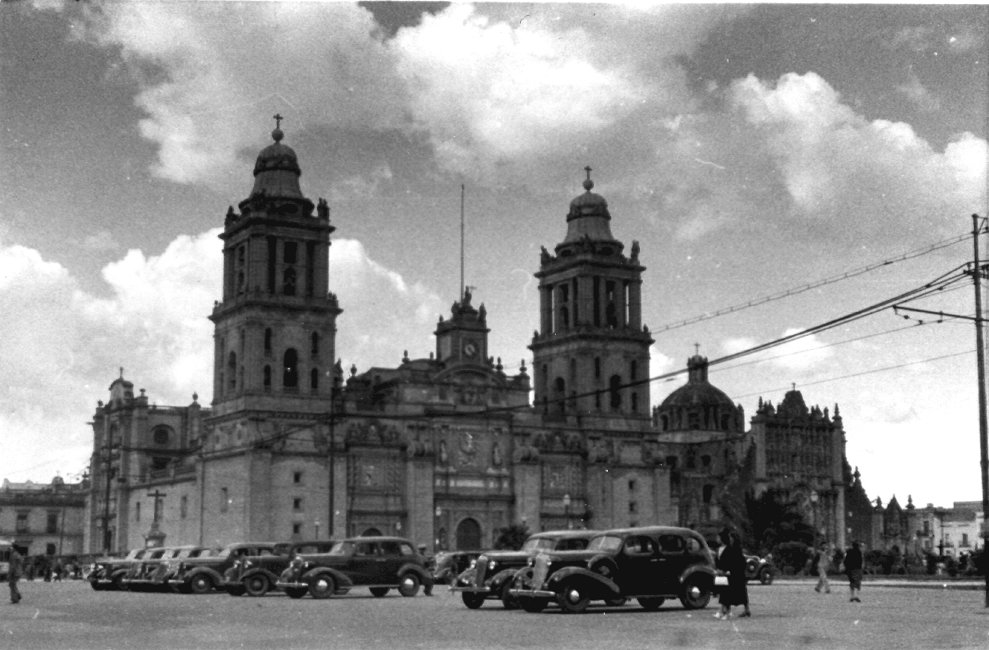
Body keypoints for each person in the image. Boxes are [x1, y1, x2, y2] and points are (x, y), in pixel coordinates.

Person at [715, 528, 751, 619]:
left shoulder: (734, 548)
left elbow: (735, 561)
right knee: (740, 593)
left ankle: (728, 612)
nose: (730, 539)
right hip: (735, 573)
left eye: (731, 538)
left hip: (735, 573)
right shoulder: (734, 548)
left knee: (731, 593)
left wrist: (726, 569)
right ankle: (744, 610)